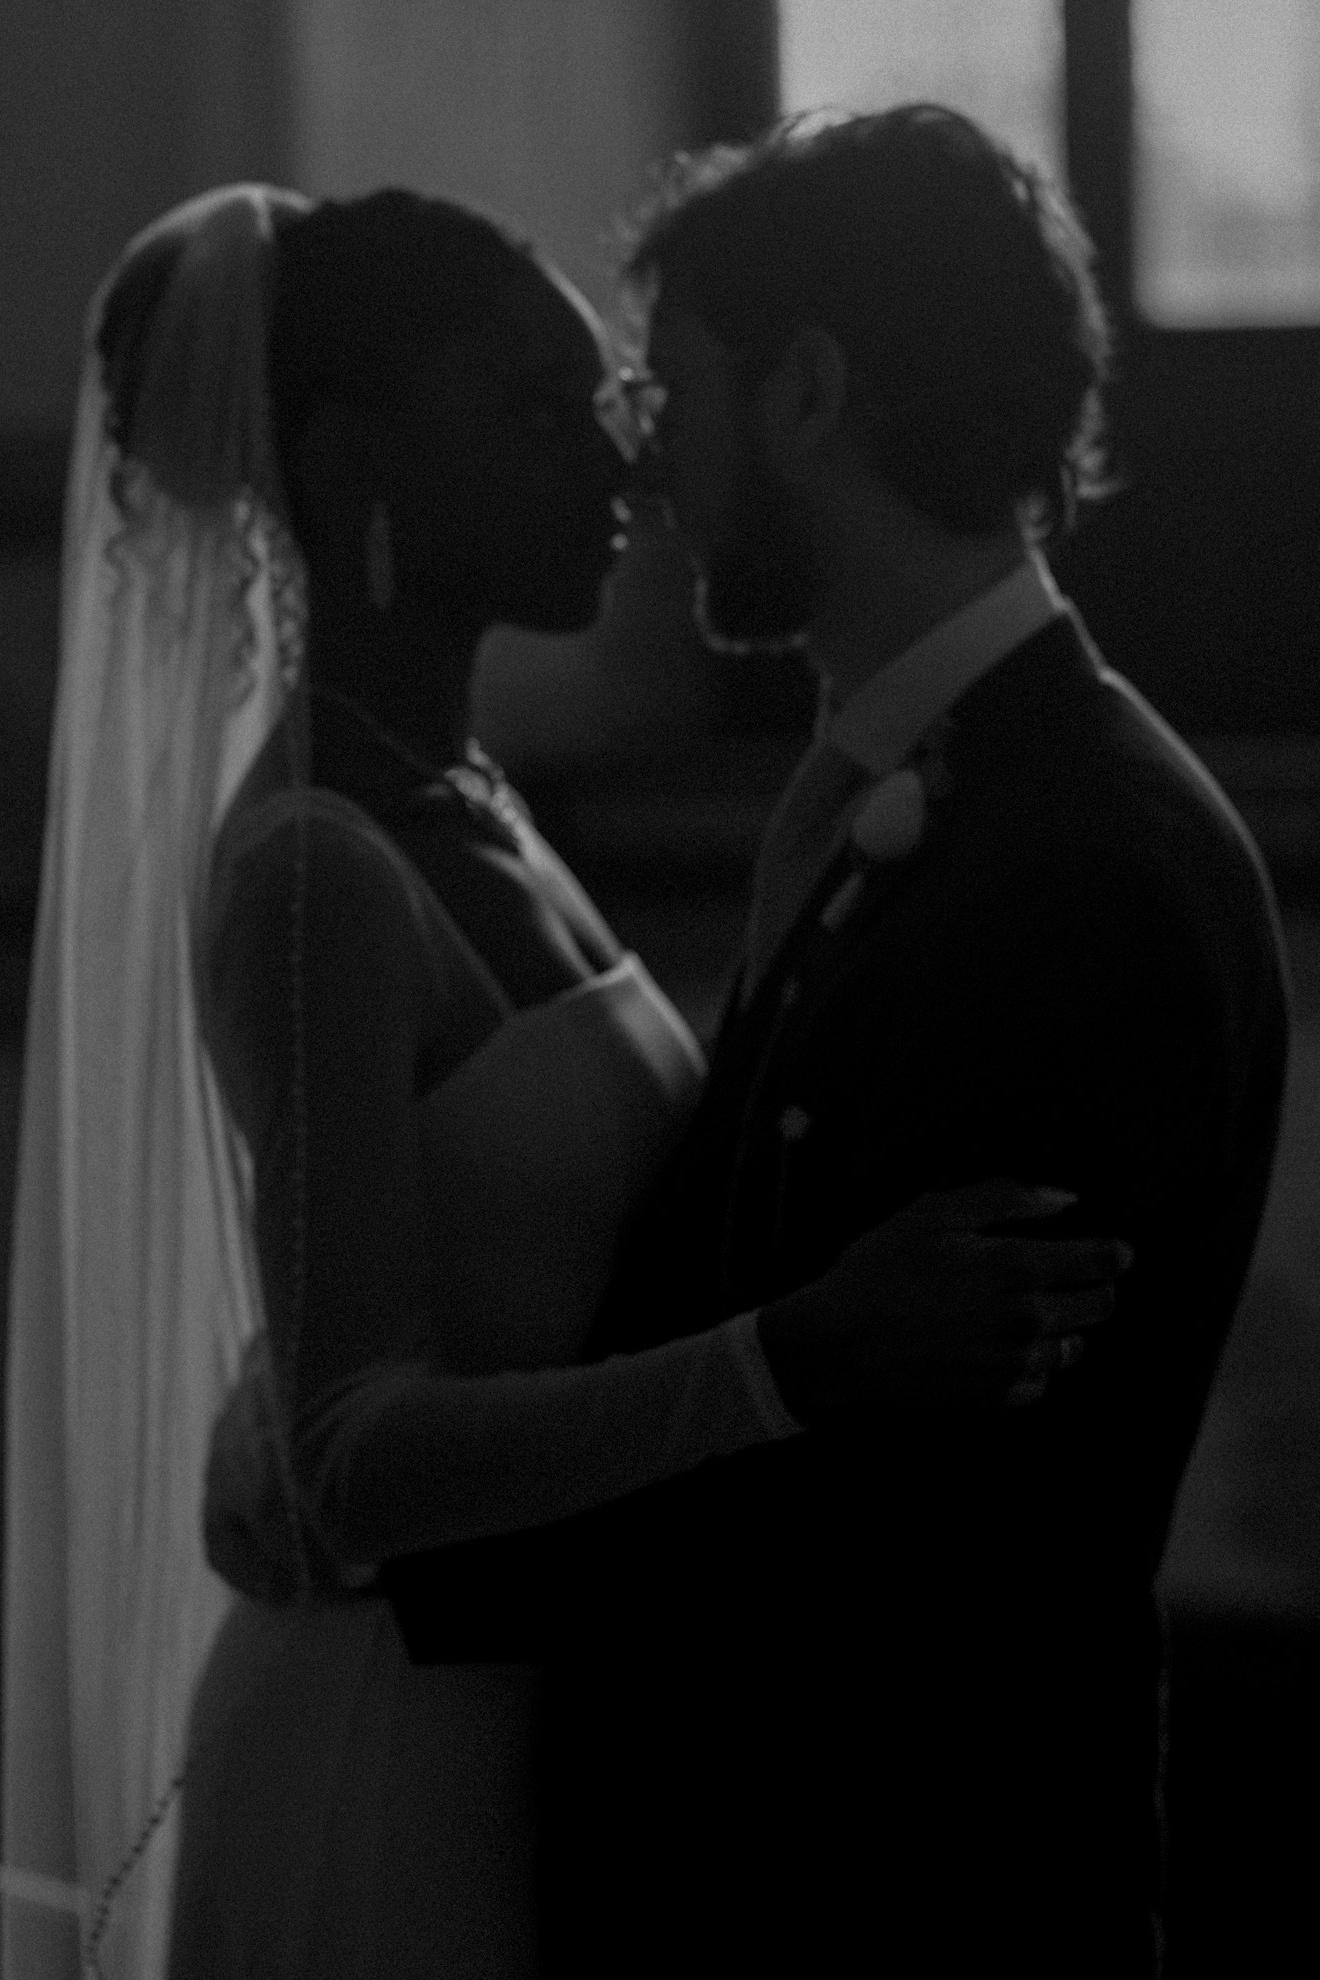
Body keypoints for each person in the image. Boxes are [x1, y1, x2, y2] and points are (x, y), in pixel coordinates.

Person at [0, 181, 1125, 1980]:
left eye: (609, 404)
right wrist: (801, 1359)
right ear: (356, 460)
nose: (613, 463)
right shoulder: (315, 867)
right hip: (396, 1753)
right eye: (532, 411)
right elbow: (354, 1461)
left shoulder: (480, 801)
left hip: (555, 1731)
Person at [388, 108, 1291, 1977]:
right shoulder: (926, 792)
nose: (649, 464)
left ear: (807, 390)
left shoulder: (1081, 863)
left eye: (675, 392)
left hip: (899, 1902)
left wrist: (373, 1518)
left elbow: (899, 1528)